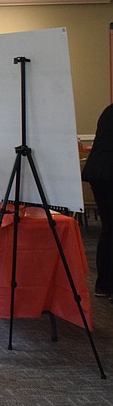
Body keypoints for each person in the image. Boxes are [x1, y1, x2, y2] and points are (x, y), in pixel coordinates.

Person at [82, 103, 113, 300]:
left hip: (98, 171)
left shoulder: (109, 110)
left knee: (109, 228)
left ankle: (104, 284)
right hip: (109, 172)